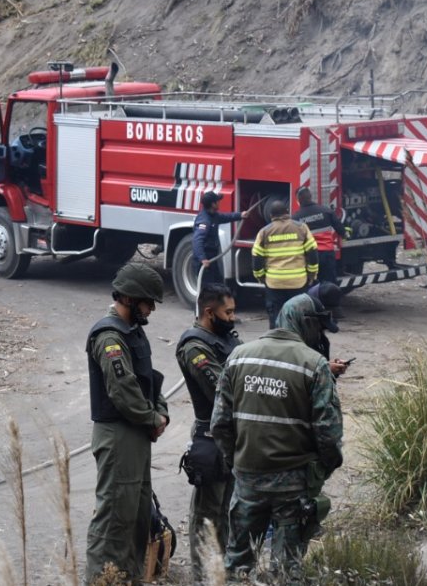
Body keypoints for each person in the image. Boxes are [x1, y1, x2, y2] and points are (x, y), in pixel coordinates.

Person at [210, 294, 344, 584]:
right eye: (318, 327)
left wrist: (237, 460)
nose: (319, 334)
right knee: (286, 570)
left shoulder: (239, 356)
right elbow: (328, 433)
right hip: (293, 485)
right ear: (304, 323)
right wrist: (324, 467)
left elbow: (219, 424)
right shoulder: (314, 365)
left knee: (238, 566)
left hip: (247, 480)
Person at [85, 263, 170, 584]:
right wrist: (152, 417)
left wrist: (160, 412)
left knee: (136, 517)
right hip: (118, 435)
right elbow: (122, 388)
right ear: (132, 299)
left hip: (135, 434)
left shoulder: (132, 332)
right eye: (148, 302)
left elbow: (147, 381)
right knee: (113, 519)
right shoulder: (109, 336)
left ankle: (129, 578)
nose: (151, 309)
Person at [175, 283, 241, 578]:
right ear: (208, 312)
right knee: (206, 516)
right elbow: (221, 392)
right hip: (211, 439)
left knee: (225, 510)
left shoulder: (225, 339)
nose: (232, 318)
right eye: (227, 313)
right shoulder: (195, 347)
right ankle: (203, 576)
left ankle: (221, 571)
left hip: (232, 437)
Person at [253, 199, 319, 328]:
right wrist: (312, 274)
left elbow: (256, 257)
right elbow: (312, 252)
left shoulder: (264, 232)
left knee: (276, 315)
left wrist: (260, 277)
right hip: (298, 281)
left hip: (274, 282)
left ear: (271, 215)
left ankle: (276, 339)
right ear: (287, 212)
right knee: (299, 314)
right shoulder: (301, 228)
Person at [292, 188, 348, 285]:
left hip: (309, 255)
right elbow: (340, 229)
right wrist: (345, 235)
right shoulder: (326, 211)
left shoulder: (296, 218)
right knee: (329, 285)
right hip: (327, 255)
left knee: (310, 285)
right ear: (311, 197)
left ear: (298, 200)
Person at [193, 191, 250, 287]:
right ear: (212, 204)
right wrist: (203, 259)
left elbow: (225, 217)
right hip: (206, 260)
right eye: (217, 201)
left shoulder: (213, 215)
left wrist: (240, 215)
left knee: (217, 284)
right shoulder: (205, 220)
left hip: (212, 258)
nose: (219, 202)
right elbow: (197, 241)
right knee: (209, 288)